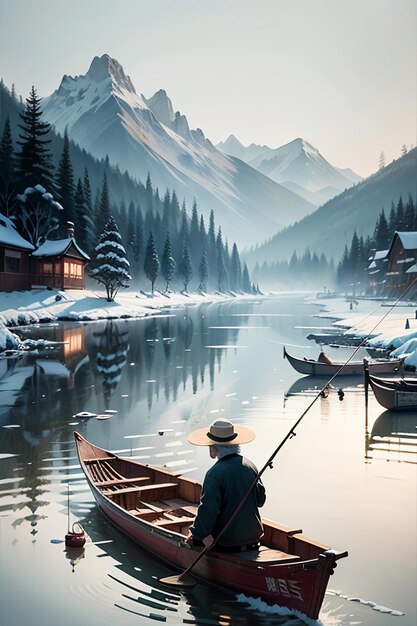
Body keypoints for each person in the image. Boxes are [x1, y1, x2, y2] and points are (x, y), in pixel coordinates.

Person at [186, 418, 266, 552]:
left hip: (227, 544)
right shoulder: (250, 466)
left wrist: (196, 537)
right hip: (255, 539)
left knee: (196, 540)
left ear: (213, 448)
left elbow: (208, 511)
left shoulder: (214, 473)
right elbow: (260, 501)